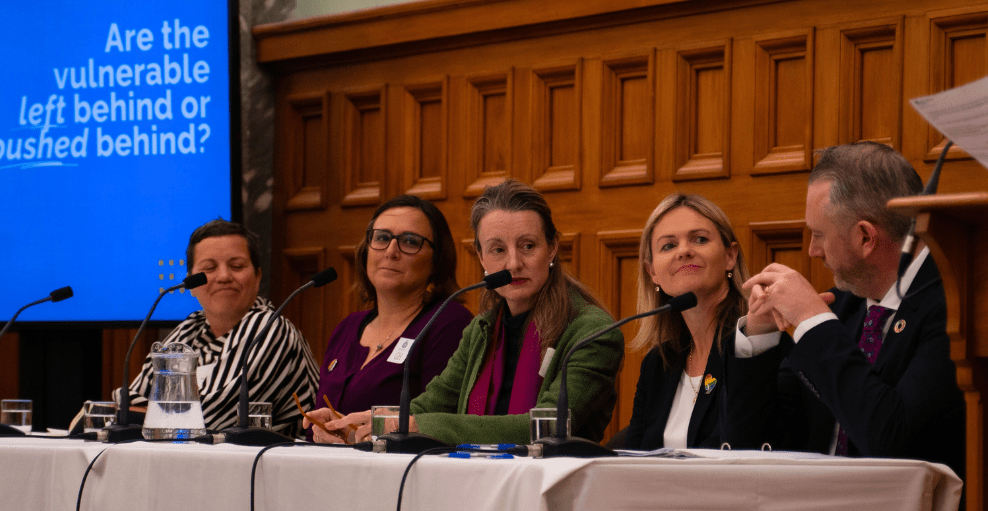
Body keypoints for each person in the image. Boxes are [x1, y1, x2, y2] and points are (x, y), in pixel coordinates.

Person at [309, 179, 624, 445]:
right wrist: (358, 424)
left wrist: (417, 426)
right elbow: (431, 403)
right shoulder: (483, 329)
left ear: (553, 247)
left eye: (528, 246)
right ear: (481, 256)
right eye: (498, 249)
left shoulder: (591, 332)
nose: (513, 263)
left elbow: (545, 428)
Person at [727, 142, 965, 477]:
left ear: (866, 238)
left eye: (819, 235)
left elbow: (897, 444)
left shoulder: (955, 308)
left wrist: (813, 321)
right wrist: (759, 340)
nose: (812, 251)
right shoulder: (842, 305)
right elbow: (757, 443)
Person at [120, 219, 319, 438]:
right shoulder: (187, 331)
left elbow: (211, 420)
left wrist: (154, 416)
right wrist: (152, 416)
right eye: (209, 268)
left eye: (237, 266)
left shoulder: (272, 329)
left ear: (257, 277)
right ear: (191, 285)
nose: (224, 277)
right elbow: (127, 403)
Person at [304, 195, 472, 441]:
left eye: (410, 241)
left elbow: (438, 424)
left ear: (437, 260)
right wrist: (328, 429)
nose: (391, 251)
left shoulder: (448, 323)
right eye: (382, 238)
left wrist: (357, 439)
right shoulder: (347, 328)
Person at [623, 193, 749, 450]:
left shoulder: (752, 346)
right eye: (668, 246)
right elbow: (633, 457)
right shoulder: (658, 363)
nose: (684, 251)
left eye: (700, 239)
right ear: (653, 272)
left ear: (730, 256)